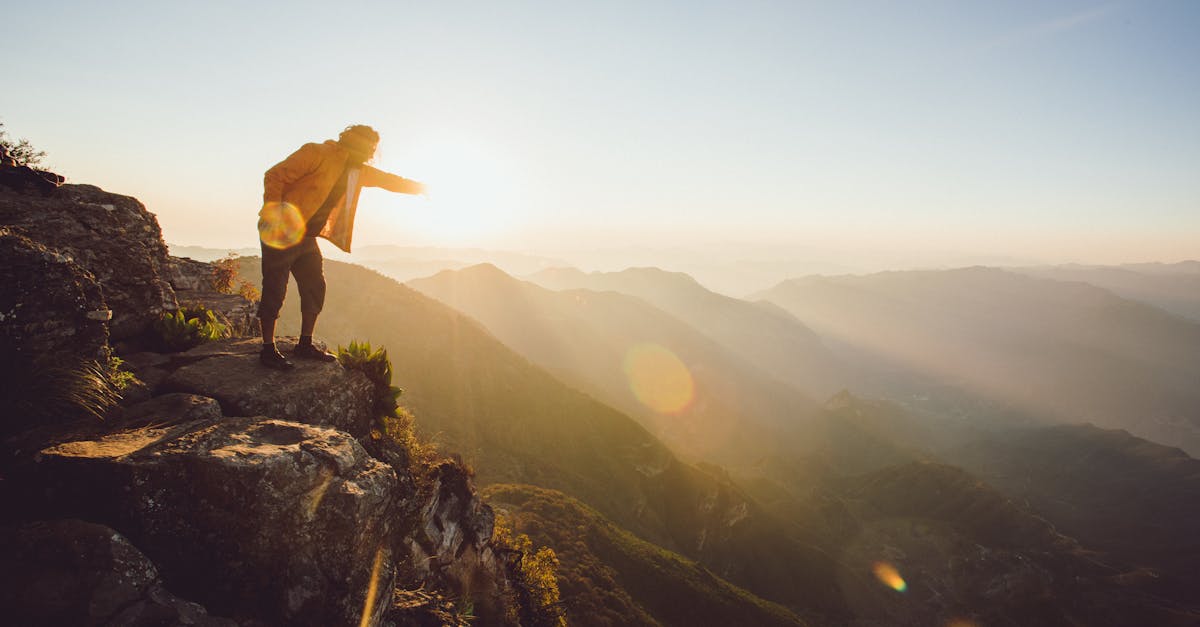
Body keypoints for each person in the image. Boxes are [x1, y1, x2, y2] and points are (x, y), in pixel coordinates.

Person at [256, 124, 424, 370]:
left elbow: (388, 181)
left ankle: (304, 344)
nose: (370, 153)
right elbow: (274, 175)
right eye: (368, 148)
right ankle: (268, 349)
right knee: (275, 287)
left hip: (305, 236)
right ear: (354, 142)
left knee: (315, 286)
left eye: (372, 149)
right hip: (281, 231)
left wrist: (421, 188)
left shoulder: (357, 171)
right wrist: (275, 211)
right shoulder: (316, 153)